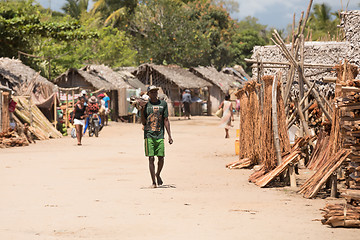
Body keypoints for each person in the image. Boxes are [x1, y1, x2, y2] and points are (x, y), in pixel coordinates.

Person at [140, 85, 173, 188]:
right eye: (152, 92)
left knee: (161, 158)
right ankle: (153, 182)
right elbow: (144, 122)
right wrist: (141, 110)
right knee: (151, 158)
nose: (154, 94)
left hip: (160, 135)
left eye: (155, 92)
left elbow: (166, 120)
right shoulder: (146, 105)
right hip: (149, 135)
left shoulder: (163, 104)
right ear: (148, 94)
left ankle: (158, 174)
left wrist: (169, 135)